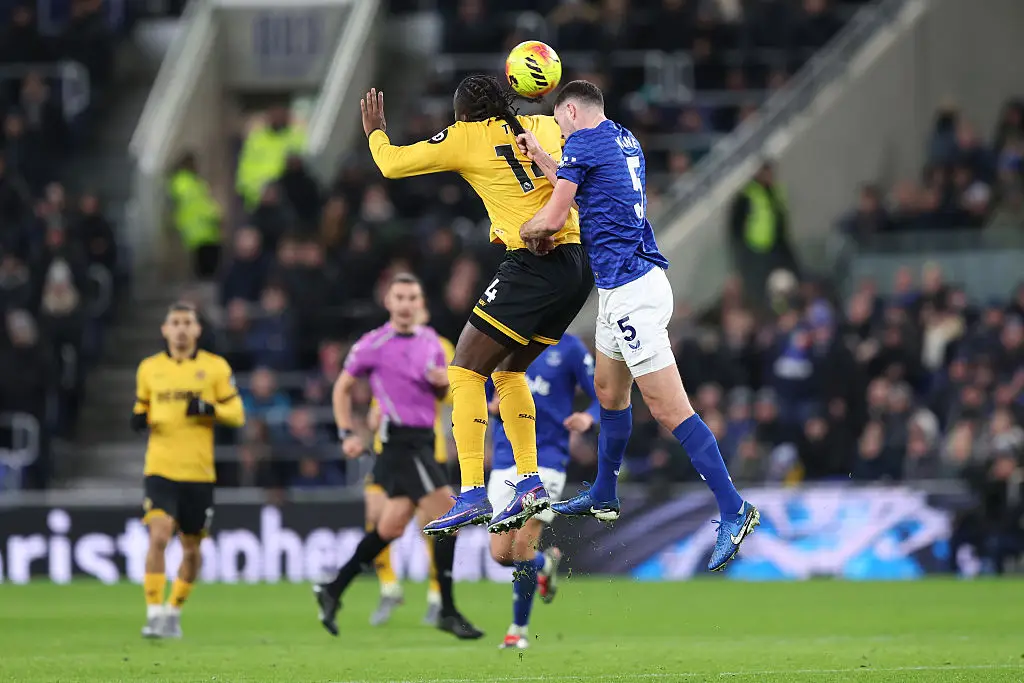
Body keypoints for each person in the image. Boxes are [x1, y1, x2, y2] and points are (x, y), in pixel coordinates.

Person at [517, 81, 759, 572]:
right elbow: (588, 197)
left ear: (568, 110)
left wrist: (524, 232)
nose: (559, 131)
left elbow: (558, 214)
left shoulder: (582, 143)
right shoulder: (623, 139)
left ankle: (735, 508)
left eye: (558, 121)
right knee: (608, 392)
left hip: (631, 291)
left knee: (670, 409)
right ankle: (604, 492)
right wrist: (544, 156)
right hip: (624, 286)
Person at [358, 80, 594, 536]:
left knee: (464, 371)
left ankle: (470, 494)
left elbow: (391, 165)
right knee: (508, 372)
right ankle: (529, 483)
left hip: (531, 262)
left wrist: (375, 132)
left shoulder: (466, 136)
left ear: (463, 114)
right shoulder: (543, 126)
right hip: (577, 266)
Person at [313, 273, 482, 640]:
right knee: (448, 519)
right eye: (399, 297)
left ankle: (333, 588)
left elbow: (438, 397)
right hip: (400, 445)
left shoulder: (433, 344)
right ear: (388, 302)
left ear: (419, 304)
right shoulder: (373, 344)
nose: (406, 304)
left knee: (389, 528)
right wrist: (346, 432)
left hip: (423, 442)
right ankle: (448, 611)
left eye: (412, 298)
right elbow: (342, 388)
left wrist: (440, 385)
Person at [132, 303, 245, 638]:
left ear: (197, 330)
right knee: (159, 534)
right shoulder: (149, 369)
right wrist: (138, 419)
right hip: (160, 469)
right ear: (165, 330)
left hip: (198, 473)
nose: (181, 329)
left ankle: (174, 610)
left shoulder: (214, 368)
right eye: (175, 323)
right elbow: (142, 408)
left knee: (192, 549)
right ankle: (153, 613)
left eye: (187, 323)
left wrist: (210, 409)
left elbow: (237, 413)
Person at [488, 333, 598, 649]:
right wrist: (489, 404)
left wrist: (588, 417)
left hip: (547, 458)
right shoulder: (504, 340)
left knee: (522, 542)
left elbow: (600, 396)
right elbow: (475, 389)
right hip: (506, 457)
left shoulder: (570, 348)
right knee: (500, 554)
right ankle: (543, 564)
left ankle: (517, 630)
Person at [363, 315, 456, 628]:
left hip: (426, 449)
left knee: (429, 525)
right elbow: (379, 395)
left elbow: (455, 391)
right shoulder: (382, 345)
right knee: (375, 517)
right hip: (386, 449)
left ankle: (435, 595)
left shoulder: (439, 346)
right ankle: (389, 587)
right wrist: (373, 414)